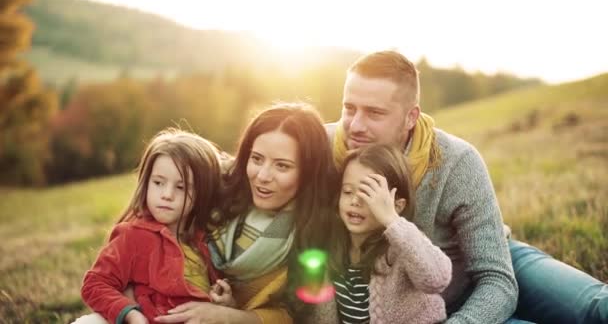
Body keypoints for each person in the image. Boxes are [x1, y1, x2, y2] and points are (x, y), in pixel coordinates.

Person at [326, 50, 608, 323]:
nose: (356, 125)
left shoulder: (455, 160)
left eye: (375, 113)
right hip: (425, 307)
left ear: (410, 117)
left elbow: (497, 279)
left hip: (493, 263)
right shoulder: (321, 148)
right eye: (349, 108)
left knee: (595, 308)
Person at [154, 102, 336, 324]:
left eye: (282, 166)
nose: (263, 176)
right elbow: (139, 234)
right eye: (257, 159)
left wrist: (228, 315)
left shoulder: (313, 234)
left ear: (308, 173)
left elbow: (293, 316)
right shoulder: (210, 185)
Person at [79, 128, 235, 324]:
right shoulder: (133, 235)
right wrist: (131, 314)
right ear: (146, 183)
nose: (167, 194)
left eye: (181, 187)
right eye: (158, 182)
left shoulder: (207, 241)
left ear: (203, 191)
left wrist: (226, 302)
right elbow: (94, 284)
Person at [305, 144, 452, 323]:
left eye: (368, 194)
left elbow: (436, 279)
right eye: (348, 191)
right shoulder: (333, 246)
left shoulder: (403, 245)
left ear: (396, 206)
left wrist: (391, 219)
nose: (355, 201)